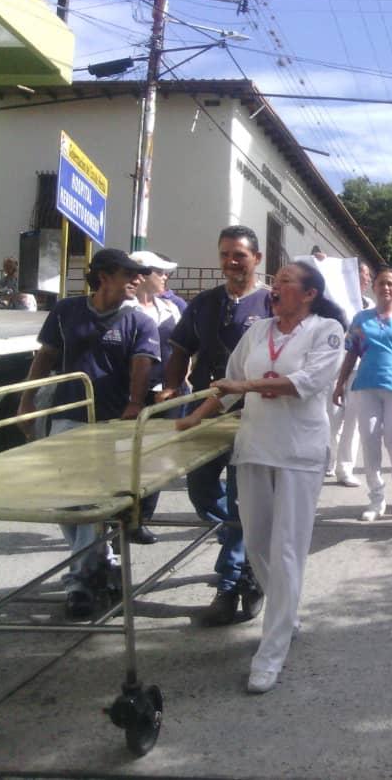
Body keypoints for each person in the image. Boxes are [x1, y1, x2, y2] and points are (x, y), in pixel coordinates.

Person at [177, 262, 344, 694]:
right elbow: (226, 383)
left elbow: (306, 381)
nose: (276, 286)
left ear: (309, 293)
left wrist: (243, 388)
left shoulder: (326, 330)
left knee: (288, 549)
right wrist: (192, 418)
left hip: (298, 452)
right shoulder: (258, 331)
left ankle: (270, 652)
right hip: (254, 447)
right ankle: (286, 616)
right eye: (277, 280)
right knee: (255, 543)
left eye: (287, 280)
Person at [16, 249, 160, 618]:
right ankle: (103, 562)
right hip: (67, 417)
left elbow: (143, 365)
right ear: (104, 276)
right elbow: (45, 356)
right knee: (68, 503)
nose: (137, 280)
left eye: (139, 274)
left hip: (108, 424)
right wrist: (26, 401)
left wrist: (135, 402)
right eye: (128, 273)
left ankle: (79, 582)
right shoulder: (67, 312)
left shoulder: (139, 320)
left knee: (93, 505)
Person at [160, 225, 270, 625]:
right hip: (206, 412)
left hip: (253, 415)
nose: (230, 262)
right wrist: (171, 386)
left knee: (242, 499)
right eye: (224, 254)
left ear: (256, 258)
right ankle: (250, 553)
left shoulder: (272, 303)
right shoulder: (204, 303)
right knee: (202, 492)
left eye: (239, 255)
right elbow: (180, 349)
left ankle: (230, 584)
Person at [333, 267, 392, 521]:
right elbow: (351, 353)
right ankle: (376, 498)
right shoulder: (360, 319)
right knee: (370, 439)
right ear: (373, 288)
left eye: (390, 284)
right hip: (366, 384)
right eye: (380, 283)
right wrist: (339, 383)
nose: (385, 288)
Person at [125, 250, 184, 544]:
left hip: (167, 393)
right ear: (144, 274)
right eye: (160, 272)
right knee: (126, 456)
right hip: (130, 395)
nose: (165, 278)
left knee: (158, 457)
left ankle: (141, 519)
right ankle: (120, 519)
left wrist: (180, 381)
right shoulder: (125, 310)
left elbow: (186, 346)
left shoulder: (172, 308)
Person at [330, 259, 376, 486]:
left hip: (360, 369)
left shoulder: (370, 306)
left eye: (368, 277)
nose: (366, 280)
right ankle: (327, 462)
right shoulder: (333, 301)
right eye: (362, 275)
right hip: (334, 366)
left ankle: (344, 468)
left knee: (353, 421)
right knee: (330, 418)